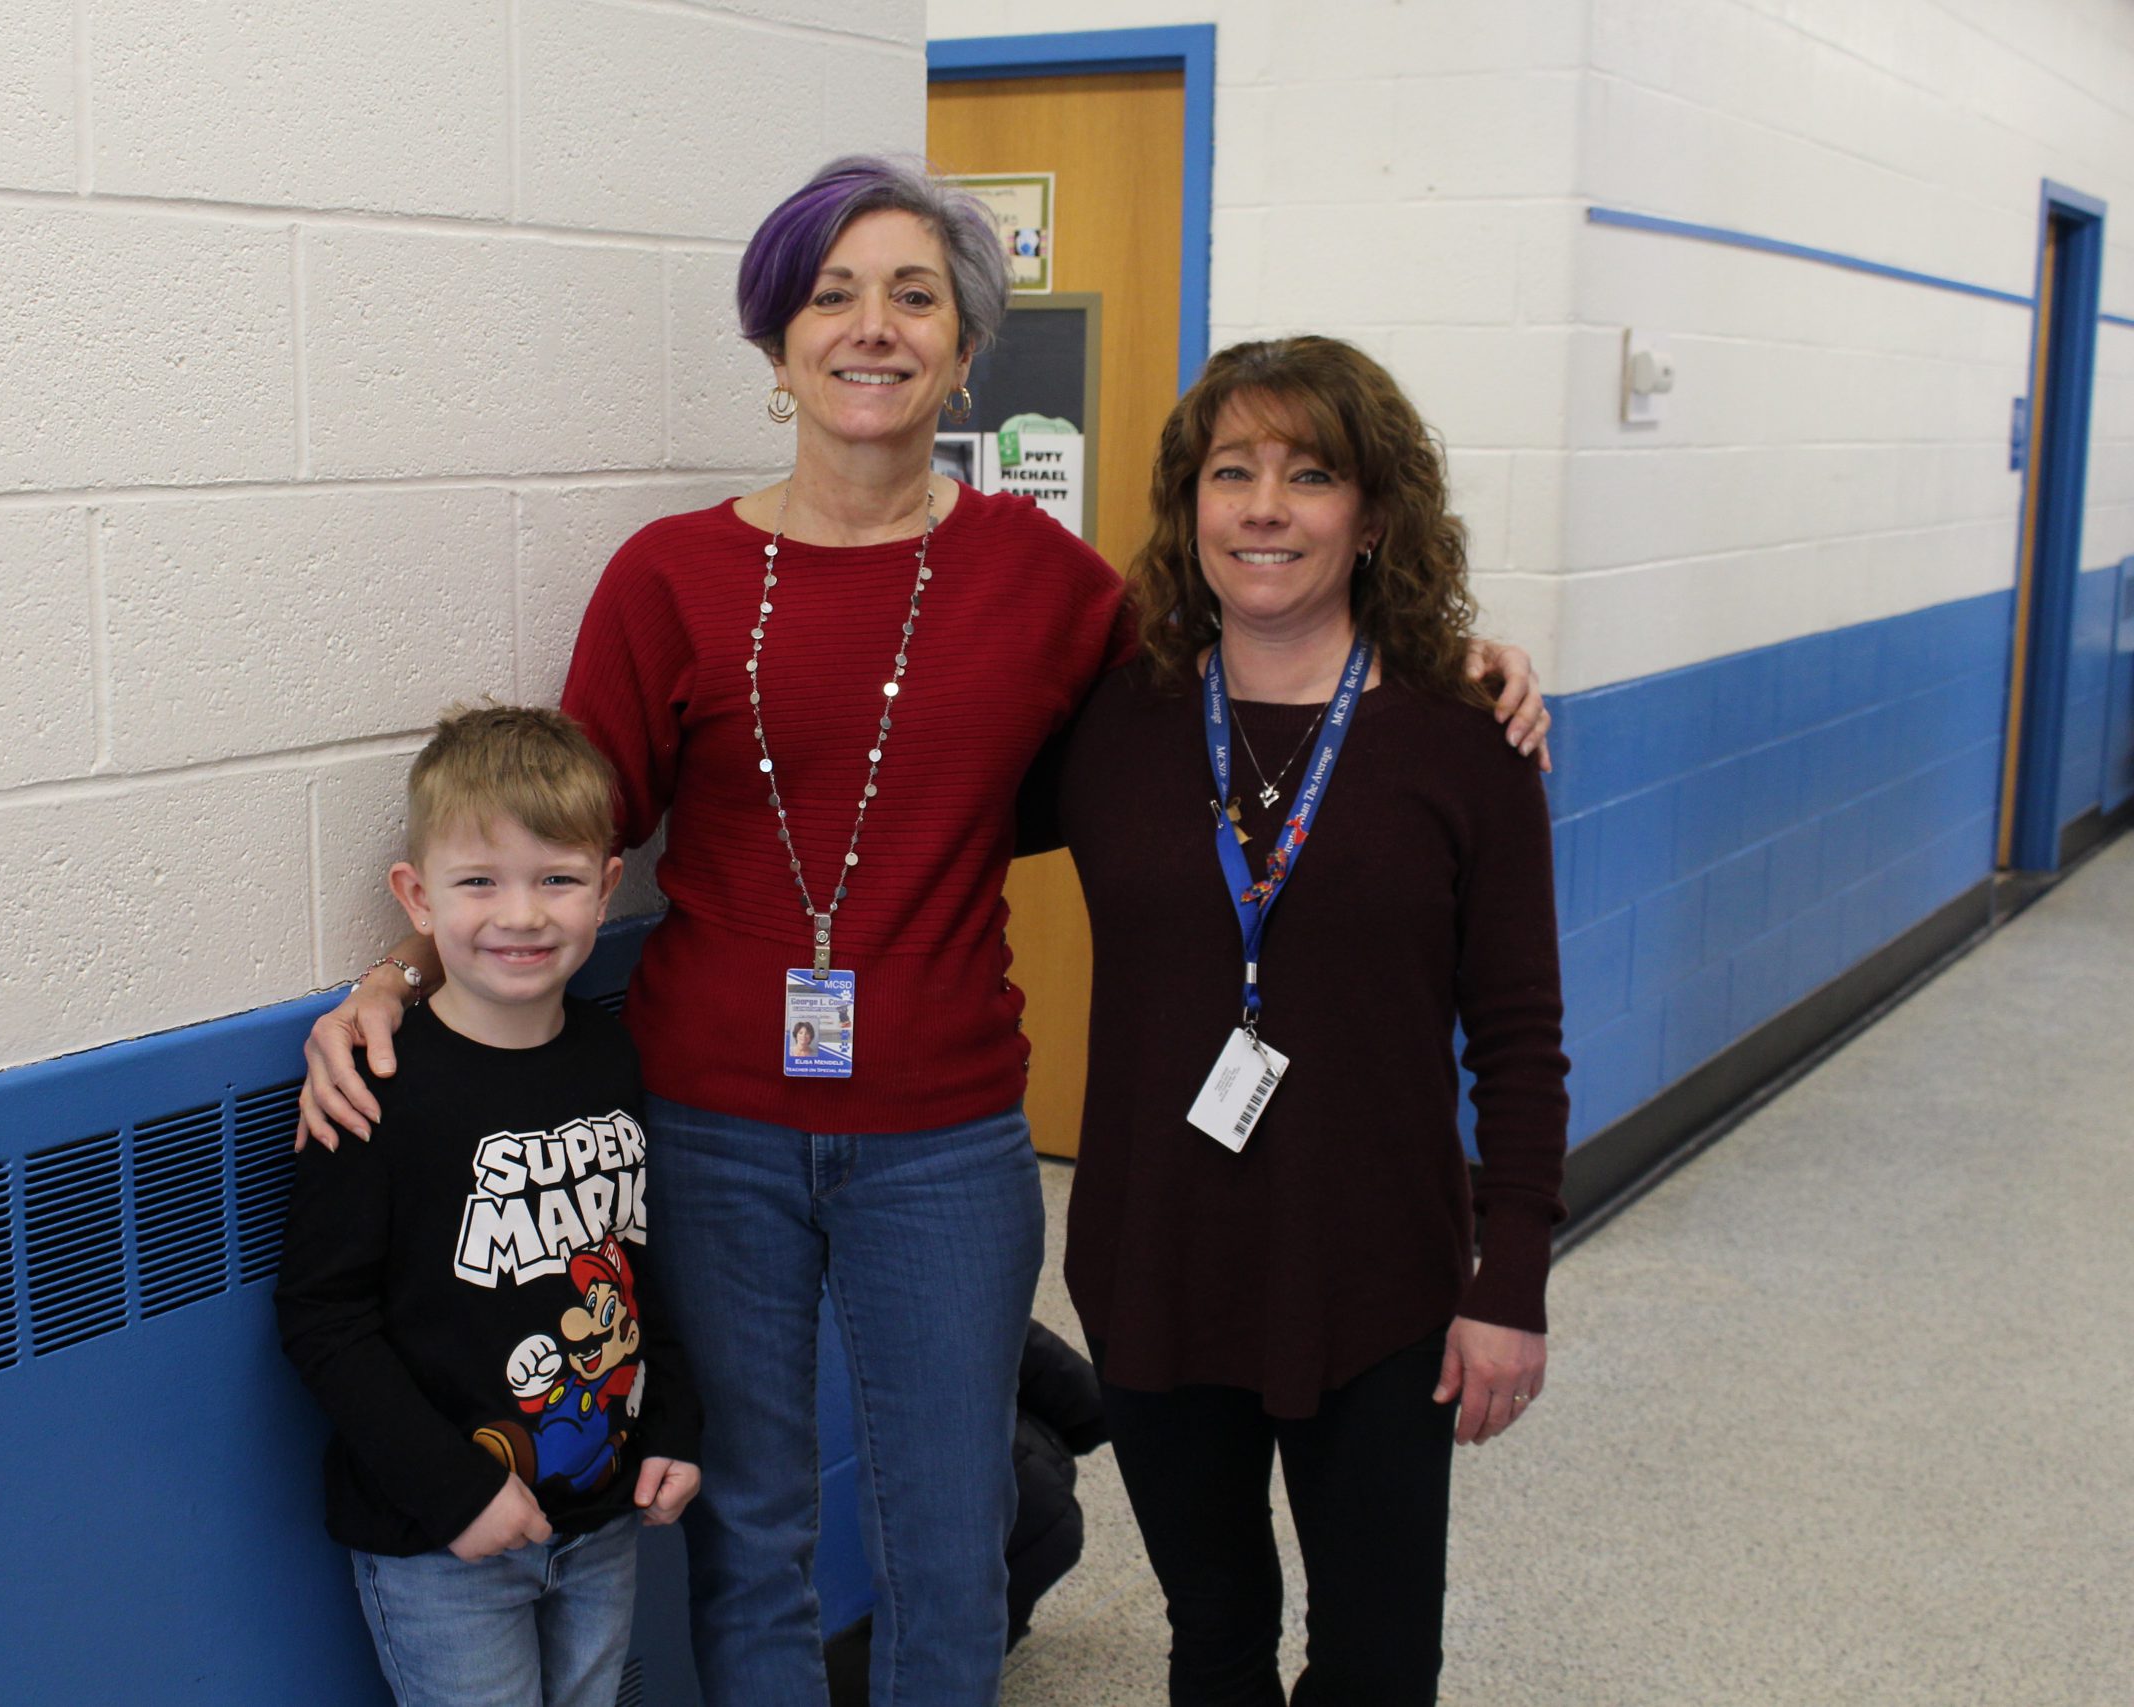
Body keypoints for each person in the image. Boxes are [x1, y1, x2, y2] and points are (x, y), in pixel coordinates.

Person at [297, 158, 1552, 1707]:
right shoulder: (669, 578)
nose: (871, 328)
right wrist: (395, 971)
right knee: (750, 1525)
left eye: (915, 297)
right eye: (831, 295)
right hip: (713, 1117)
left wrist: (1456, 662)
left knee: (947, 1535)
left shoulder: (1054, 588)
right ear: (776, 347)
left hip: (947, 1128)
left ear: (965, 350)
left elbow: (1250, 674)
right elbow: (555, 832)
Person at [1056, 337, 1570, 1705]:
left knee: (1377, 1652)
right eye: (1233, 472)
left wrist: (1508, 1277)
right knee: (1214, 1631)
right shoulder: (1116, 715)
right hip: (1155, 1255)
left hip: (1381, 1274)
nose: (1266, 506)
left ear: (1376, 512)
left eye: (1310, 473)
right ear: (1191, 506)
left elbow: (1521, 1035)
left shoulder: (1465, 737)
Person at [274, 705, 703, 1707]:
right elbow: (322, 1317)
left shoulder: (615, 1058)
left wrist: (674, 1424)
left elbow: (649, 1269)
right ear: (416, 898)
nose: (521, 915)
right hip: (441, 1540)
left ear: (605, 891)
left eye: (556, 880)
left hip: (601, 1516)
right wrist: (453, 1492)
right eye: (480, 883)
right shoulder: (370, 1088)